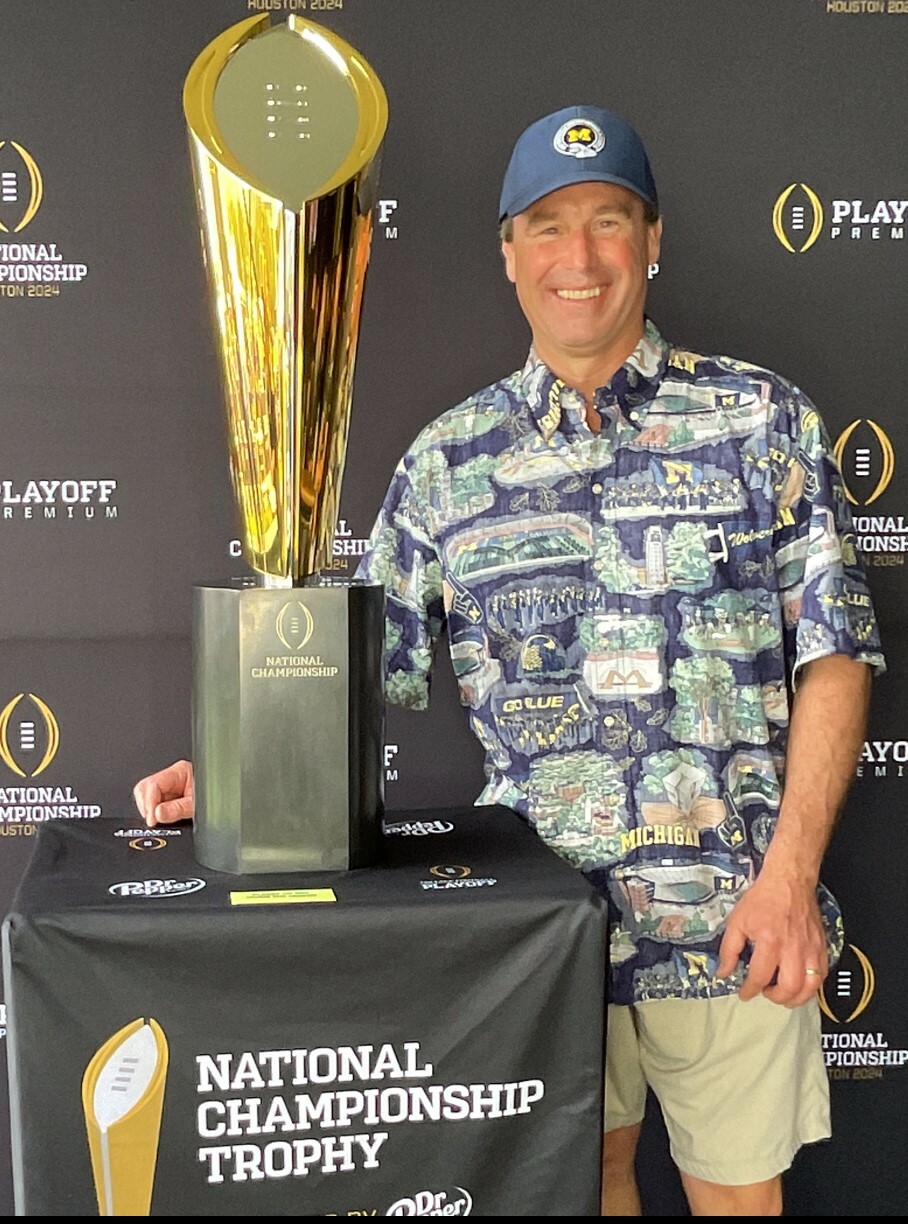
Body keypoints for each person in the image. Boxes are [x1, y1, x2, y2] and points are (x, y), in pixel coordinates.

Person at [134, 104, 884, 1217]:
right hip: (532, 936)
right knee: (583, 1188)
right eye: (544, 226)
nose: (575, 258)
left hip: (728, 917)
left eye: (606, 221)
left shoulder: (759, 419)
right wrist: (239, 768)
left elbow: (836, 656)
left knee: (740, 1199)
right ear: (506, 253)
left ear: (651, 238)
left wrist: (785, 882)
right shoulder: (446, 462)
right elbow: (355, 675)